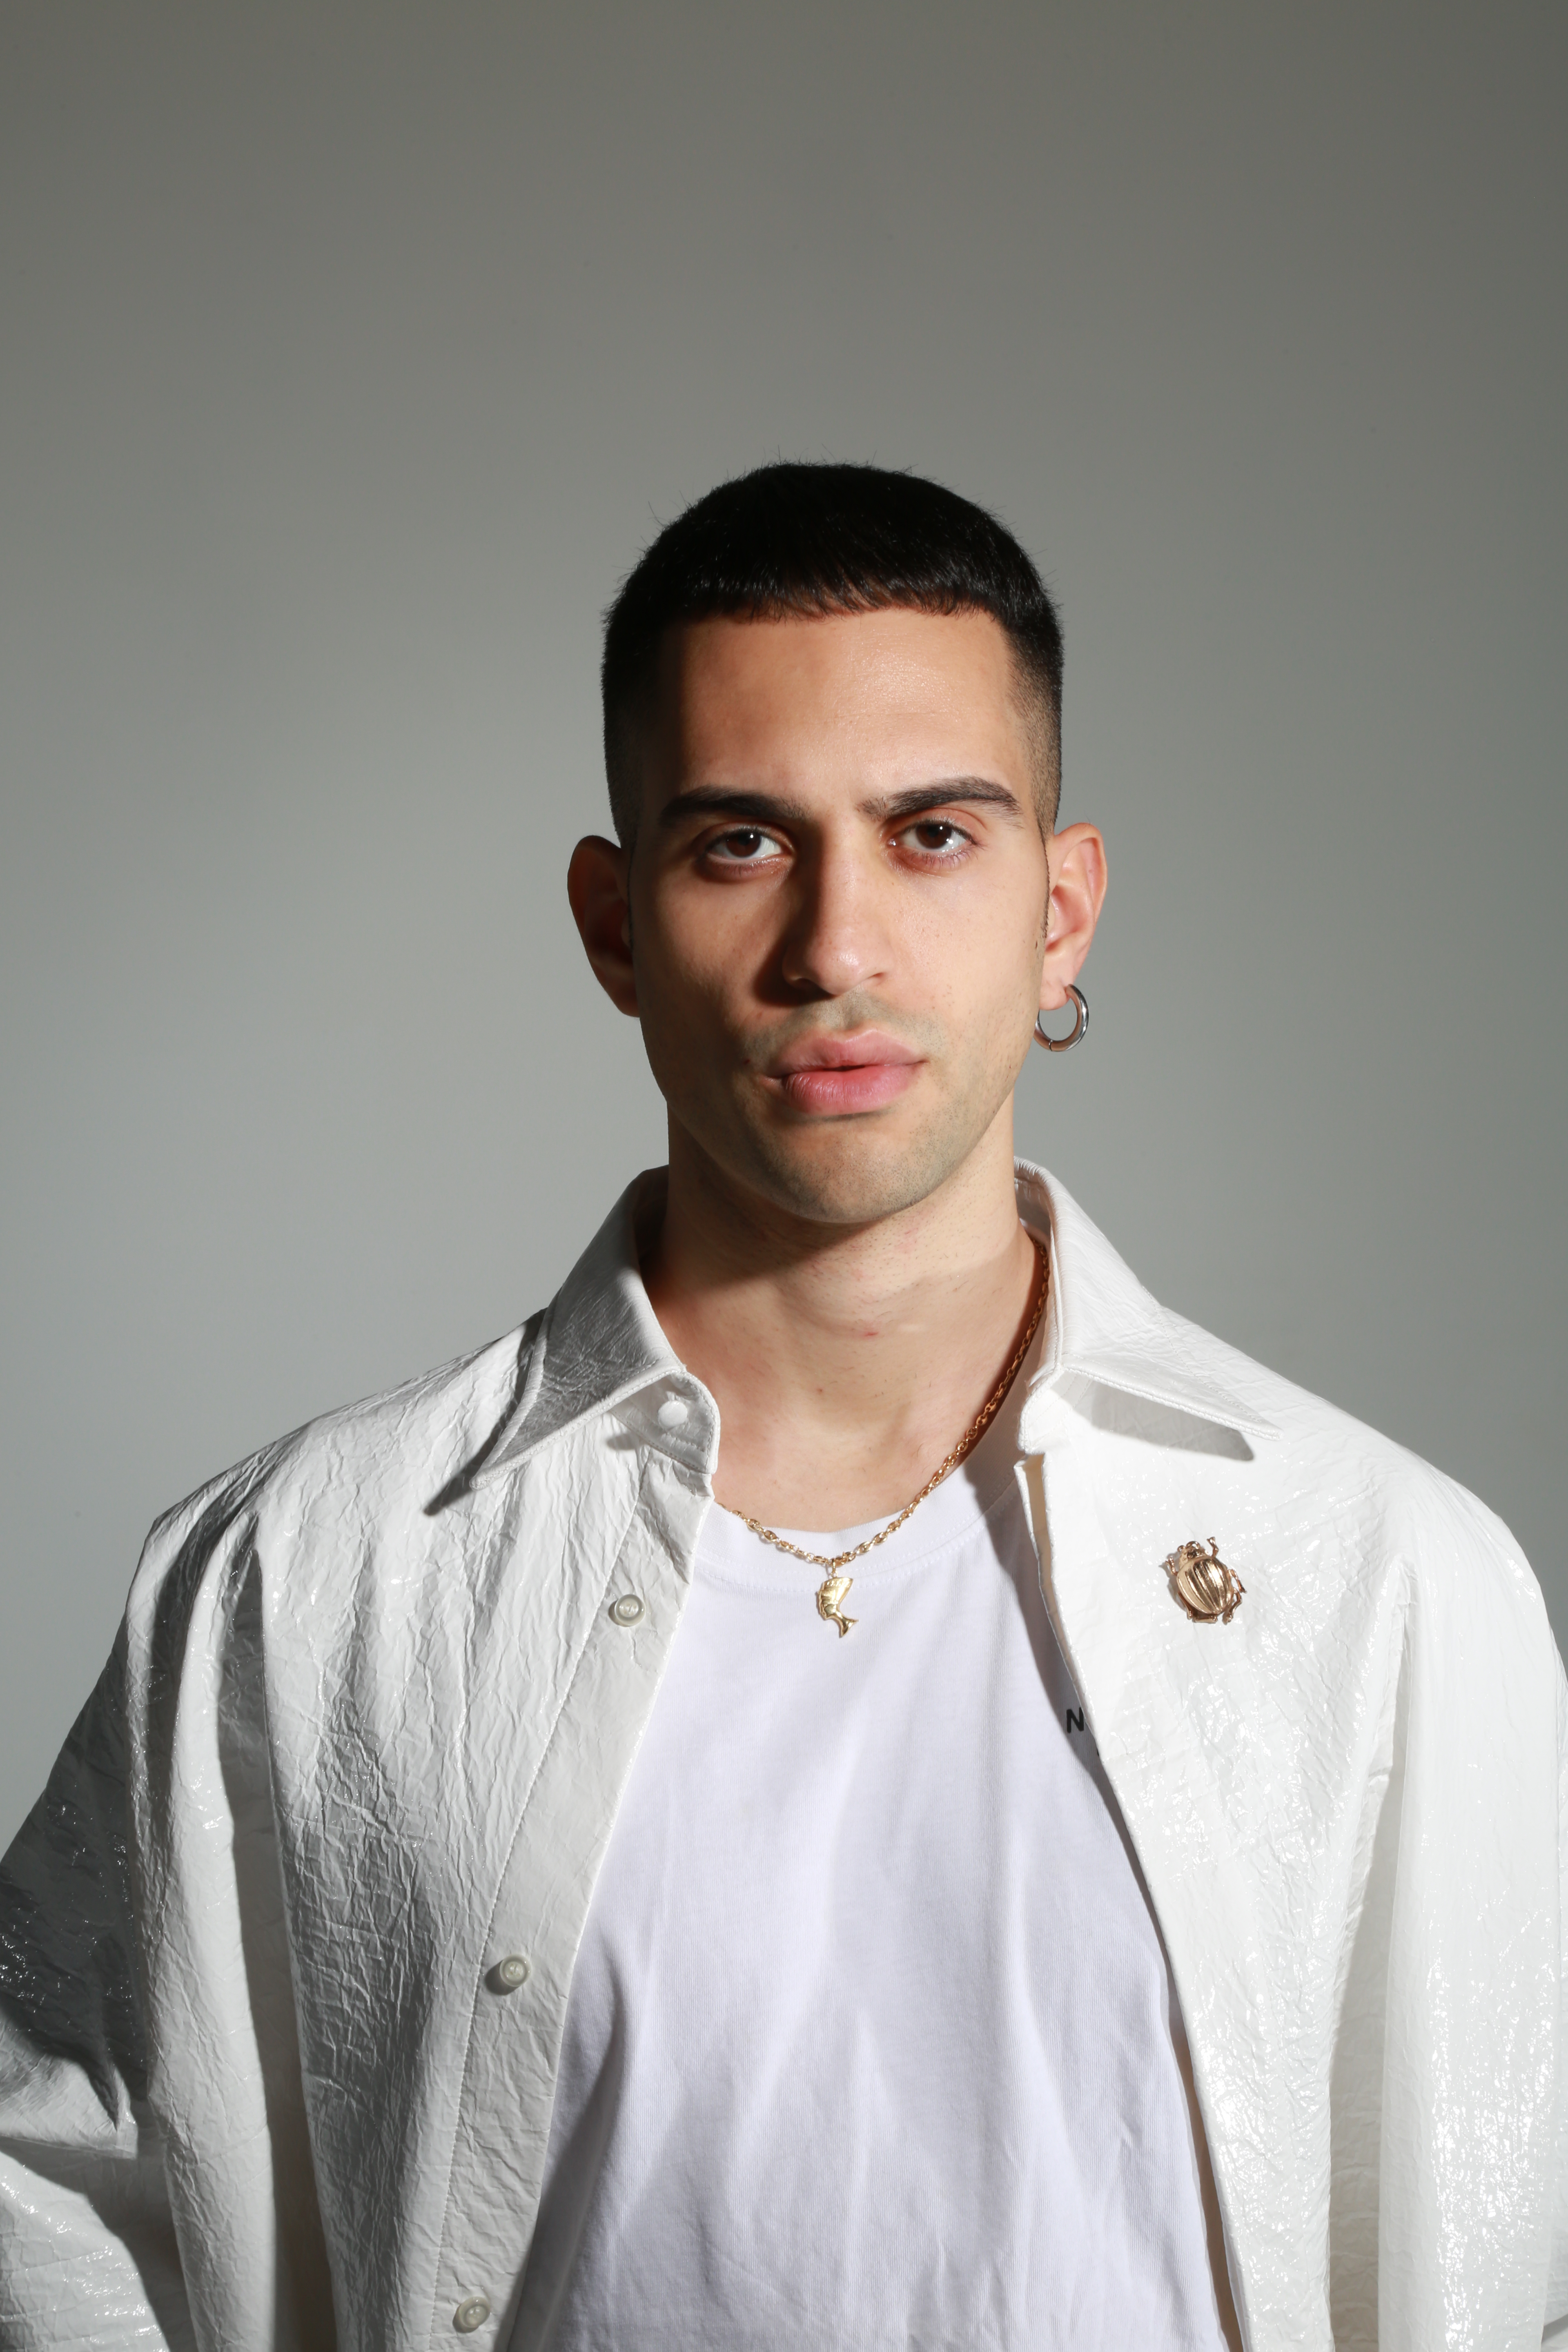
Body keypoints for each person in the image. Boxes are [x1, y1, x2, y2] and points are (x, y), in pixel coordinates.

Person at [0, 463, 1563, 2352]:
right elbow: (49, 2203)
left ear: (1063, 912)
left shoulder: (1384, 1578)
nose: (838, 946)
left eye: (934, 835)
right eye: (741, 843)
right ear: (613, 924)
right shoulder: (296, 1581)